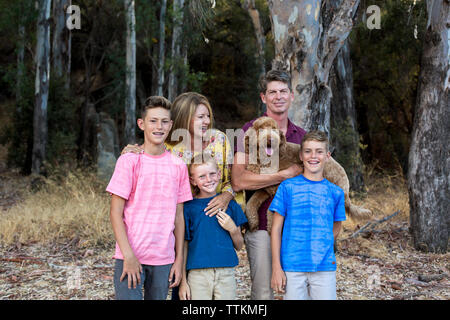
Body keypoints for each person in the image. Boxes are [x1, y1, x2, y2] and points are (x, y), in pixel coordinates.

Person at [121, 92, 241, 299]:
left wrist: (226, 196)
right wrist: (130, 150)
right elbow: (148, 154)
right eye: (199, 116)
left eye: (207, 116)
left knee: (214, 276)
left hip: (211, 216)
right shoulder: (170, 144)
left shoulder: (220, 140)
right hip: (179, 216)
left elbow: (231, 181)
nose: (206, 121)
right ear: (185, 117)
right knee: (182, 277)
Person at [107, 96, 193, 300]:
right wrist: (128, 255)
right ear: (141, 123)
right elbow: (115, 213)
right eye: (153, 121)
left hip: (163, 258)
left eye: (164, 121)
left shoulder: (178, 165)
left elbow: (179, 217)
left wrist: (178, 260)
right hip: (130, 255)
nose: (159, 126)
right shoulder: (129, 161)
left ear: (171, 125)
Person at [231, 70, 307, 300]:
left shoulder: (301, 137)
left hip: (296, 227)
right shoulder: (248, 131)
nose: (279, 96)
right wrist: (284, 174)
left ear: (292, 96)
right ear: (263, 97)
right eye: (272, 92)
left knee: (293, 292)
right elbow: (238, 180)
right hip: (261, 225)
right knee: (263, 293)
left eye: (283, 91)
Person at [270, 131, 346, 300]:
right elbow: (275, 229)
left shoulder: (336, 193)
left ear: (327, 156)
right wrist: (276, 267)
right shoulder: (287, 187)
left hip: (324, 266)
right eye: (308, 151)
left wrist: (321, 245)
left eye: (319, 151)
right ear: (301, 155)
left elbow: (337, 226)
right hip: (292, 266)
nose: (313, 156)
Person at [179, 155, 247, 300]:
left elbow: (239, 245)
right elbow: (183, 246)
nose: (209, 180)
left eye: (212, 174)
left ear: (219, 174)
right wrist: (183, 282)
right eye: (202, 176)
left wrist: (233, 228)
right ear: (193, 181)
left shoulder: (231, 205)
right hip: (198, 274)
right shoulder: (188, 208)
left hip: (226, 272)